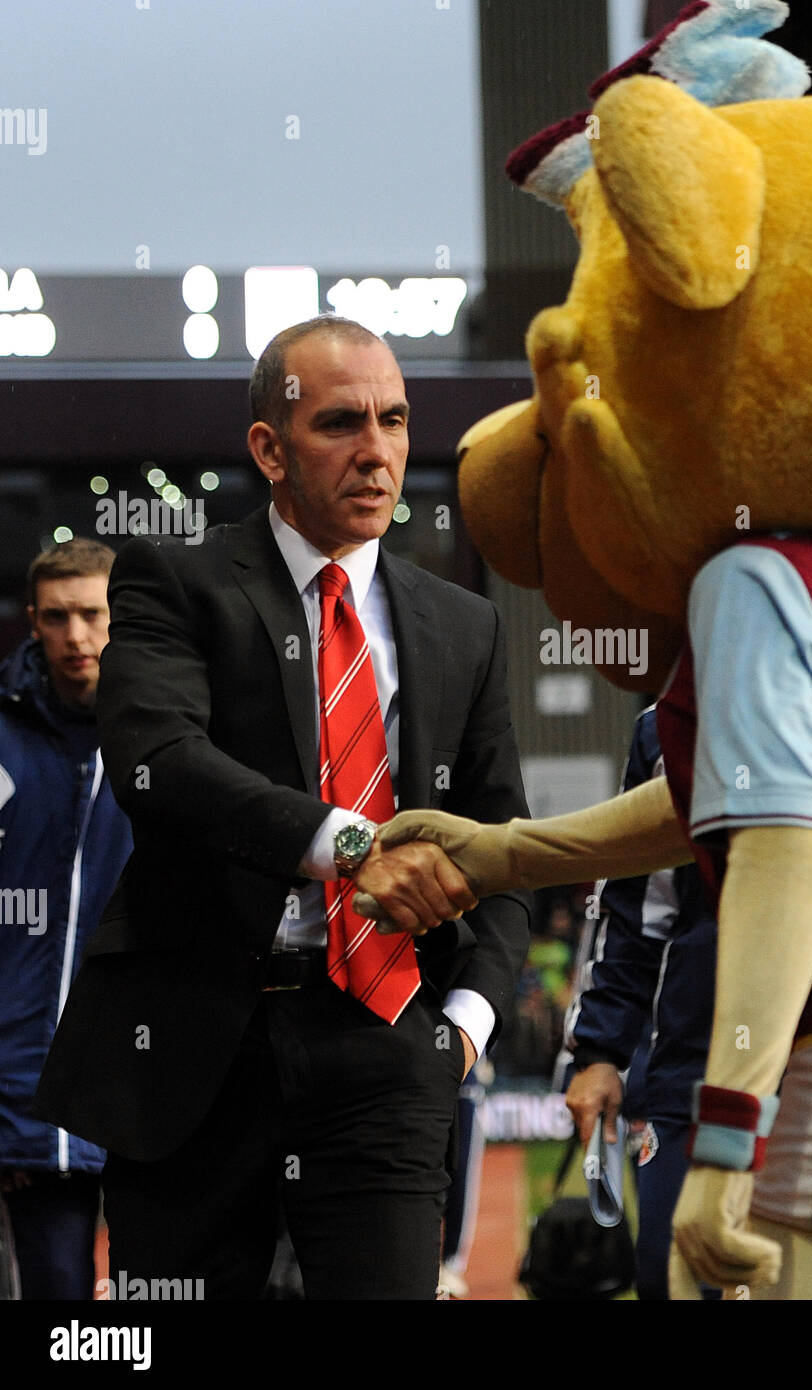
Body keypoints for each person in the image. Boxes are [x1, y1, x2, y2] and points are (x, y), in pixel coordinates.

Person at [34, 316, 531, 1300]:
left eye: (393, 419)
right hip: (189, 1046)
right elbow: (160, 760)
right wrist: (348, 845)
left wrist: (463, 1027)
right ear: (269, 447)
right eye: (342, 422)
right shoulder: (175, 582)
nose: (378, 449)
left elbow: (503, 846)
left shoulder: (465, 626)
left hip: (388, 1040)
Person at [0, 540, 132, 1298]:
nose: (76, 636)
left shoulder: (174, 732)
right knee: (57, 1297)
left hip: (150, 1077)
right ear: (33, 623)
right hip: (27, 1086)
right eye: (57, 618)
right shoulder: (6, 736)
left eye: (92, 614)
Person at [563, 705, 717, 1300]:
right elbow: (634, 908)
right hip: (692, 1066)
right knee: (668, 1275)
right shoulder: (670, 723)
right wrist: (599, 1050)